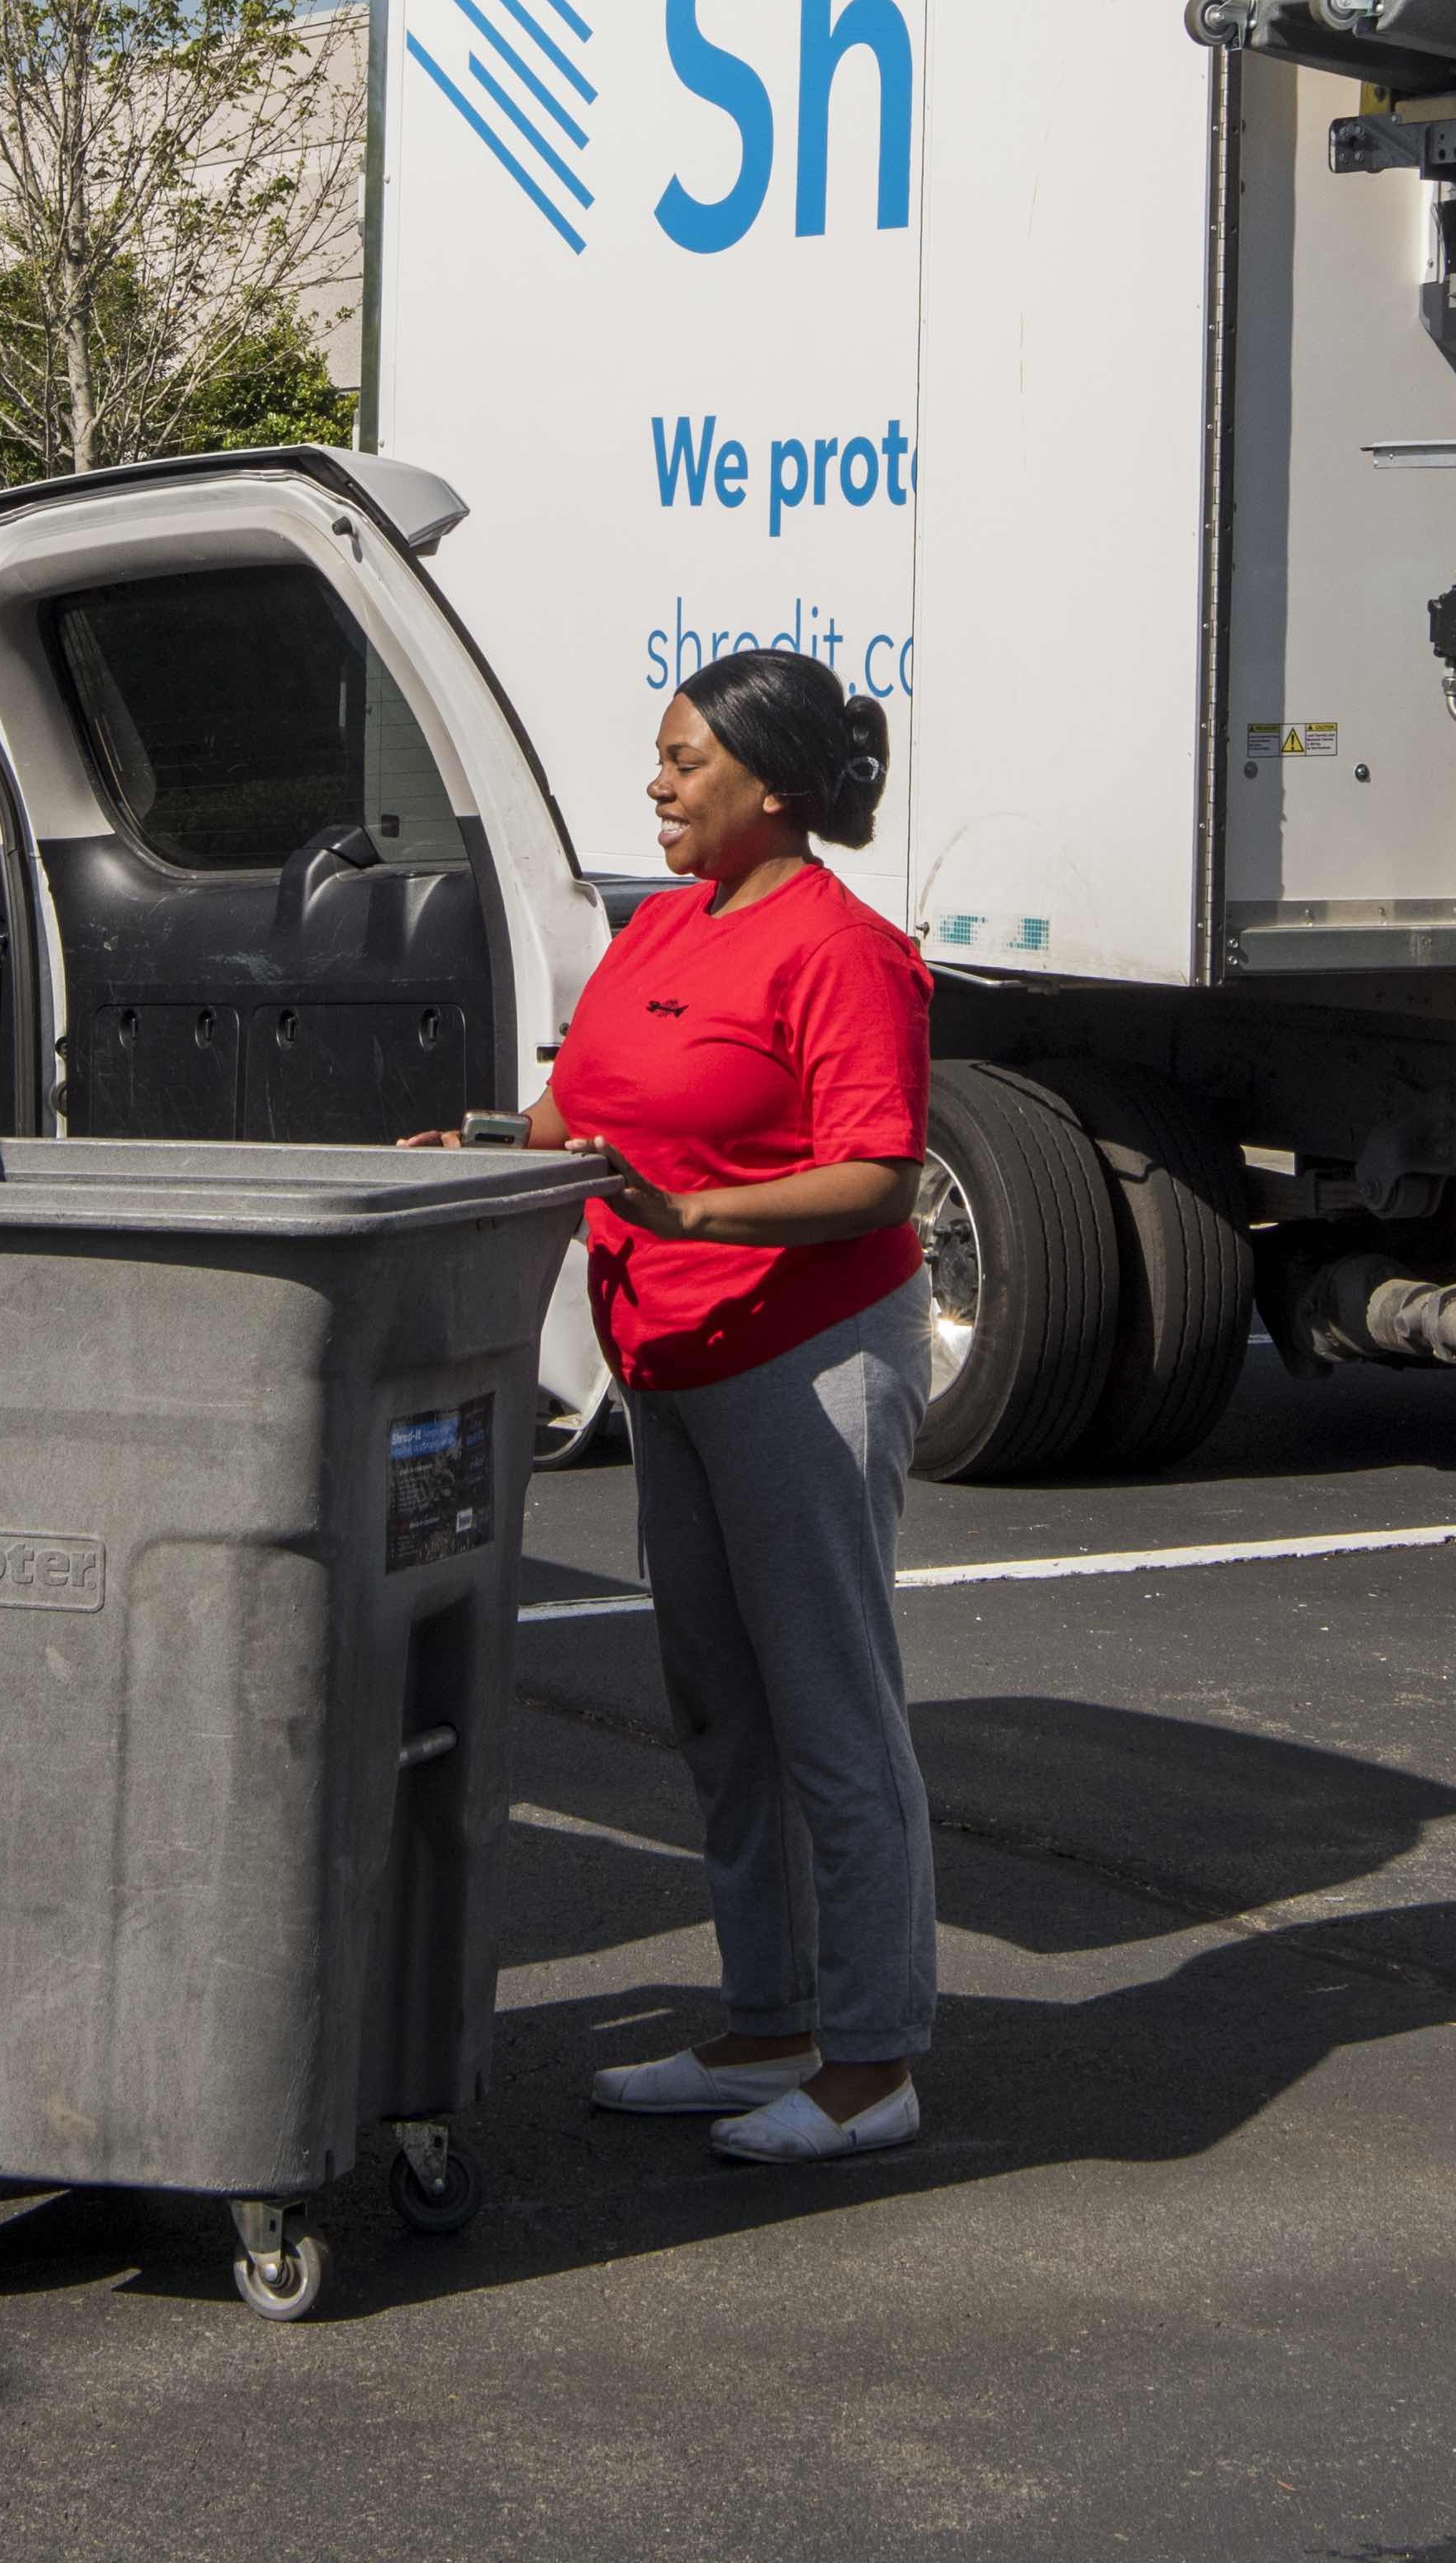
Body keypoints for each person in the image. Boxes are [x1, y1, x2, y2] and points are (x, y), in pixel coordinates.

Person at [480, 646, 942, 2164]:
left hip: (802, 1358)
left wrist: (693, 1219)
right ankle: (768, 2023)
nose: (658, 783)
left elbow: (879, 1172)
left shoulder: (841, 950)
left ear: (774, 783)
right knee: (718, 1709)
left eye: (684, 758)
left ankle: (874, 2065)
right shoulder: (660, 925)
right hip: (666, 1358)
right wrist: (479, 1147)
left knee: (830, 1709)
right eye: (660, 757)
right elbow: (578, 1112)